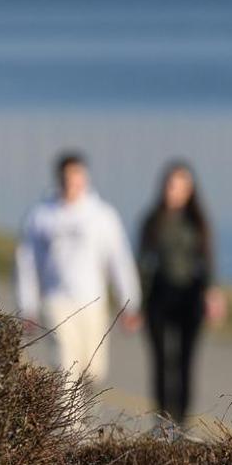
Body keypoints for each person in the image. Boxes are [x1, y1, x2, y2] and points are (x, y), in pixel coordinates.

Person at [15, 151, 143, 386]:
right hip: (56, 302)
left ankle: (84, 418)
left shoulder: (102, 215)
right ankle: (69, 424)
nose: (72, 183)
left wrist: (130, 303)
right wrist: (28, 306)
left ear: (85, 178)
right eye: (67, 178)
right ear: (59, 179)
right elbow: (27, 263)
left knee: (94, 371)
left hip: (92, 302)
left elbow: (119, 260)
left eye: (77, 177)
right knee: (66, 366)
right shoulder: (41, 216)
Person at [138, 161, 226, 426]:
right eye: (170, 185)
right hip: (158, 297)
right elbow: (142, 262)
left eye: (180, 186)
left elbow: (208, 260)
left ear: (190, 190)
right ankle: (162, 422)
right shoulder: (152, 221)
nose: (173, 191)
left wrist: (212, 294)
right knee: (162, 362)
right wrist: (136, 304)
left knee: (186, 362)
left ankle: (182, 423)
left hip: (189, 298)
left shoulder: (197, 222)